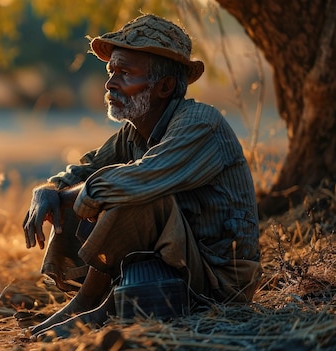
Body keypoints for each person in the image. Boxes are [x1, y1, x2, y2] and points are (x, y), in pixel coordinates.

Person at [21, 14, 261, 339]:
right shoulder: (134, 131)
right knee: (96, 189)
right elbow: (84, 170)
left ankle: (87, 303)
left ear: (165, 86)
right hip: (174, 258)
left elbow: (140, 180)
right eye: (111, 72)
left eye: (125, 73)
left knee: (132, 192)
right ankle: (98, 303)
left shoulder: (202, 123)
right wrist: (48, 189)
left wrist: (68, 196)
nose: (109, 84)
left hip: (219, 277)